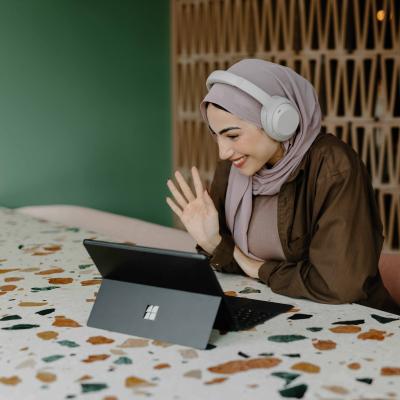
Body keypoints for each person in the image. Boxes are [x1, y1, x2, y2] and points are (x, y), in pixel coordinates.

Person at [166, 59, 399, 315]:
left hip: (357, 322)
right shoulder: (235, 168)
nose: (223, 152)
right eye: (216, 135)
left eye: (232, 135)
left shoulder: (333, 165)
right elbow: (228, 262)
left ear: (278, 121)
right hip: (279, 312)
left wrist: (254, 266)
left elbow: (338, 284)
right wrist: (211, 243)